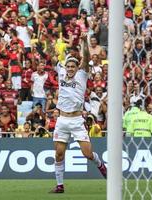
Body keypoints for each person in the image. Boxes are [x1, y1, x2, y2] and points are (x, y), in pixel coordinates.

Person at [50, 34, 106, 193]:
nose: (70, 69)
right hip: (62, 120)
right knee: (59, 154)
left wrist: (83, 42)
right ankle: (59, 186)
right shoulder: (61, 71)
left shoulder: (82, 74)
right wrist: (52, 44)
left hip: (76, 120)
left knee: (87, 154)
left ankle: (101, 166)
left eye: (73, 66)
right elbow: (53, 59)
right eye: (68, 66)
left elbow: (87, 57)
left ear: (77, 67)